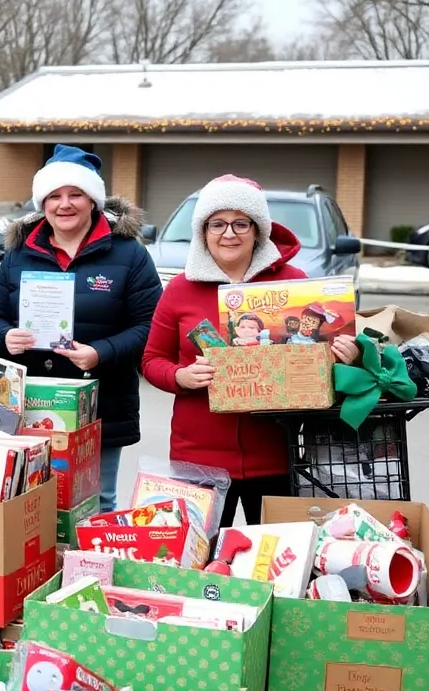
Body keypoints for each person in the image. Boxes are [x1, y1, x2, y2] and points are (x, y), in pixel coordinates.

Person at [142, 174, 361, 526]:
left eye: (241, 223)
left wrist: (345, 355)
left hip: (275, 453)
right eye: (217, 224)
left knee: (275, 562)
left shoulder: (294, 283)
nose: (229, 233)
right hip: (198, 457)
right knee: (204, 564)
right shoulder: (180, 289)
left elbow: (322, 351)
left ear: (259, 229)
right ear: (203, 232)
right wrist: (180, 376)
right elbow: (152, 360)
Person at [0, 145, 162, 512]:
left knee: (97, 500)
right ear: (42, 204)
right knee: (32, 501)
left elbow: (150, 326)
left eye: (75, 194)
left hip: (102, 401)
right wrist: (4, 338)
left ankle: (95, 569)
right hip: (32, 401)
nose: (64, 204)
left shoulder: (128, 253)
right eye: (54, 196)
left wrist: (100, 352)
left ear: (93, 201)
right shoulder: (18, 253)